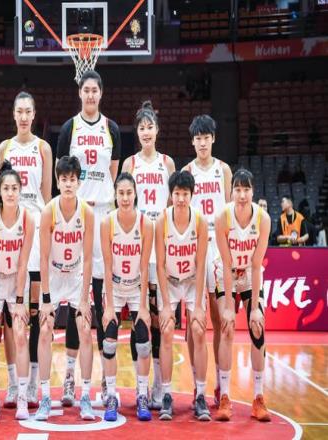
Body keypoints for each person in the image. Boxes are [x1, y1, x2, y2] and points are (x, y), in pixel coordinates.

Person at [56, 70, 121, 404]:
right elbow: (62, 175)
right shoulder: (70, 128)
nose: (91, 95)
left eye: (95, 90)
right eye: (87, 90)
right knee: (74, 300)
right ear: (80, 93)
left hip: (105, 216)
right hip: (78, 217)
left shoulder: (112, 129)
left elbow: (113, 174)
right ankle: (69, 377)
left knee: (104, 297)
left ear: (101, 93)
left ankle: (107, 381)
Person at [0, 91, 52, 408]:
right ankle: (12, 382)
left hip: (35, 226)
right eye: (19, 111)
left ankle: (32, 381)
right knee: (9, 310)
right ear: (13, 113)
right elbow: (0, 193)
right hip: (10, 229)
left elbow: (46, 196)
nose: (23, 116)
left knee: (32, 309)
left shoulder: (43, 148)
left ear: (34, 114)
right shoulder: (4, 147)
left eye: (28, 111)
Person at [121, 101, 175, 408]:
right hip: (136, 244)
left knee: (157, 318)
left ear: (157, 130)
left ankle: (157, 384)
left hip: (161, 246)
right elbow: (122, 206)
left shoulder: (167, 163)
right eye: (141, 128)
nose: (146, 132)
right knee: (136, 316)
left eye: (150, 127)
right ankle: (139, 383)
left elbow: (174, 205)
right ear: (137, 131)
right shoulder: (130, 164)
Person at [34, 156, 95, 421]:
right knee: (45, 328)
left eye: (73, 179)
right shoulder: (48, 211)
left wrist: (84, 299)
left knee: (85, 329)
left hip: (76, 275)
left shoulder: (87, 212)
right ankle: (46, 397)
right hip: (54, 274)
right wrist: (47, 299)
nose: (68, 184)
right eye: (64, 179)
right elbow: (43, 257)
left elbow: (89, 258)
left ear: (79, 182)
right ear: (57, 182)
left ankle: (85, 396)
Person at [214, 168, 271, 422]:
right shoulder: (222, 217)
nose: (242, 194)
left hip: (249, 273)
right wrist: (228, 306)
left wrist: (256, 308)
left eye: (246, 189)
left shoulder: (263, 219)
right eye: (237, 189)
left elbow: (257, 265)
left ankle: (258, 397)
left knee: (258, 328)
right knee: (226, 328)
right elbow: (226, 264)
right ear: (231, 192)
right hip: (226, 273)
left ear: (253, 192)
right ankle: (225, 396)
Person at [182, 114, 232, 405]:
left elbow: (229, 214)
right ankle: (196, 383)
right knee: (194, 320)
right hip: (195, 246)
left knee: (219, 318)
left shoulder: (223, 170)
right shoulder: (187, 171)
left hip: (219, 246)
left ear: (213, 138)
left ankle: (222, 387)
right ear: (192, 141)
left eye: (206, 137)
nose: (202, 143)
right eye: (197, 138)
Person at [155, 171, 210, 421]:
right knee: (167, 329)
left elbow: (201, 264)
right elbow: (159, 265)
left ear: (191, 195)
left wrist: (198, 305)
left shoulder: (200, 221)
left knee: (198, 329)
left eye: (185, 194)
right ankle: (167, 394)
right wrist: (166, 305)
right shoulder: (162, 220)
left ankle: (201, 395)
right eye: (176, 194)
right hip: (169, 280)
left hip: (191, 281)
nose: (180, 199)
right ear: (171, 195)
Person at [0, 161, 35, 420]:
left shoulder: (27, 219)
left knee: (21, 335)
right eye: (6, 188)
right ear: (0, 192)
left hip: (17, 280)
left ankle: (22, 396)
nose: (11, 192)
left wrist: (21, 301)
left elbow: (23, 263)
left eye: (15, 188)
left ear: (20, 190)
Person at [101, 173, 154, 422]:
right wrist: (109, 306)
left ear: (135, 194)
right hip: (114, 286)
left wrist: (143, 306)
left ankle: (142, 393)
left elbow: (144, 267)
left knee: (143, 343)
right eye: (120, 193)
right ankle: (111, 394)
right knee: (109, 342)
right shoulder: (107, 222)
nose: (124, 198)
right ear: (115, 195)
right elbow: (107, 265)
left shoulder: (146, 224)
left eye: (128, 193)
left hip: (135, 288)